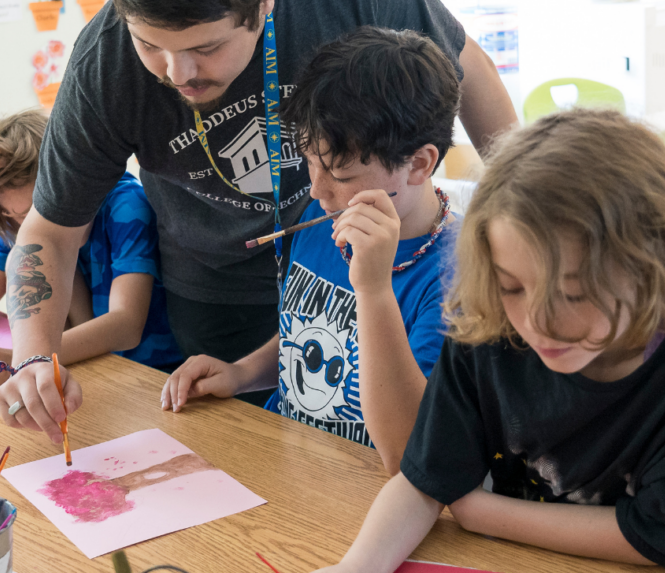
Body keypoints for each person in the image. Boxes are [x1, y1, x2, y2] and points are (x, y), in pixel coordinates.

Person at [0, 0, 517, 444]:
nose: (178, 74)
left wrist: (516, 224)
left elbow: (465, 66)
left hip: (361, 254)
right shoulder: (103, 67)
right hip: (215, 285)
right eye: (150, 45)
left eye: (207, 47)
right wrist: (34, 355)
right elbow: (50, 233)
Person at [314, 110, 665, 573]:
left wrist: (483, 512)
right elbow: (422, 481)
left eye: (573, 293)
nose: (537, 323)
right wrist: (355, 566)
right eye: (511, 286)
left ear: (653, 265)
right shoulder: (488, 323)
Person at [160, 27, 458, 473]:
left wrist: (374, 288)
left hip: (369, 492)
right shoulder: (328, 221)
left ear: (418, 164)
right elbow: (312, 331)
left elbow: (405, 453)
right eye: (308, 161)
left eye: (339, 174)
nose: (317, 190)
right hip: (291, 464)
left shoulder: (459, 276)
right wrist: (242, 373)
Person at [0, 109, 180, 393]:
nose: (27, 225)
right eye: (11, 215)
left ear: (66, 180)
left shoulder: (126, 206)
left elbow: (126, 326)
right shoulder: (20, 223)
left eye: (31, 212)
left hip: (150, 380)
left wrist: (23, 359)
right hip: (87, 370)